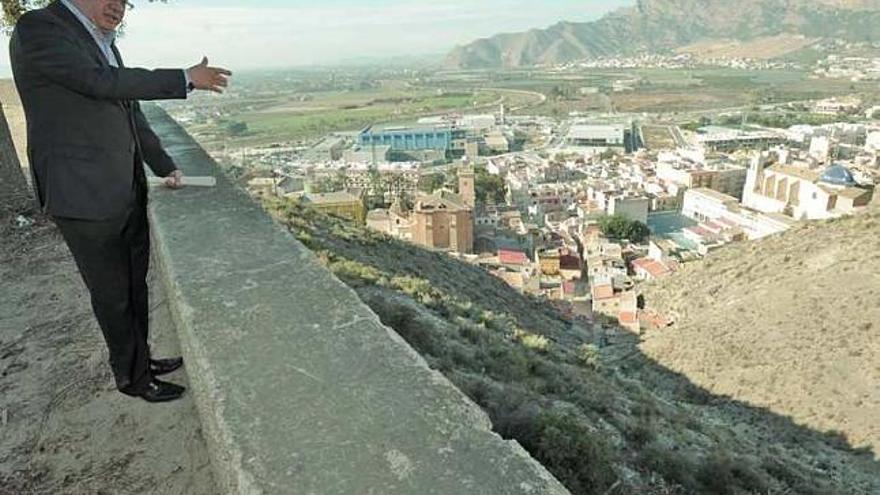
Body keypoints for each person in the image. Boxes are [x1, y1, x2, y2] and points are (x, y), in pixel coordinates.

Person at [9, 0, 231, 402]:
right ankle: (132, 378)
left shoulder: (102, 43)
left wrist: (163, 165)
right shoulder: (38, 28)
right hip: (81, 192)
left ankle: (141, 359)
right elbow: (101, 83)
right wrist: (185, 78)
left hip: (123, 186)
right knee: (112, 293)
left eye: (123, 0)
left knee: (133, 283)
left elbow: (129, 111)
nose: (117, 7)